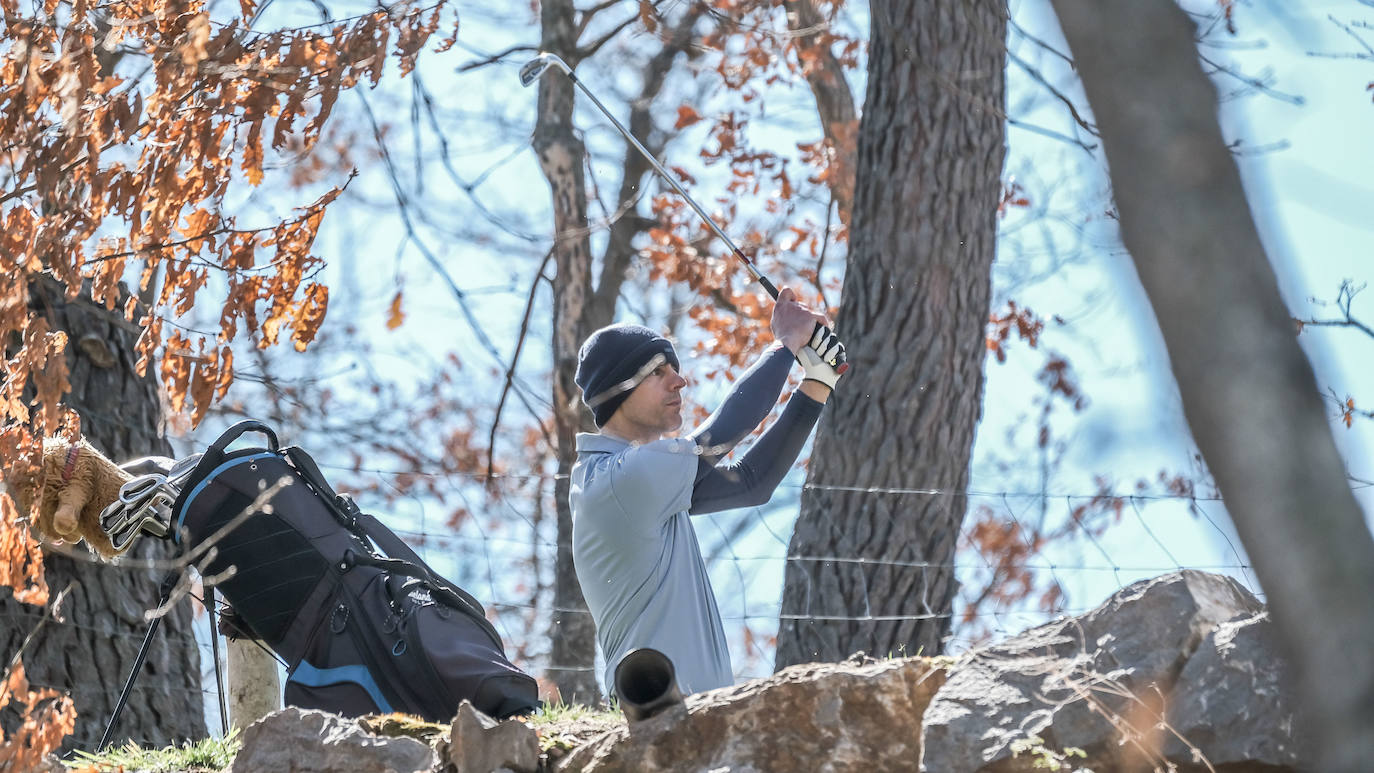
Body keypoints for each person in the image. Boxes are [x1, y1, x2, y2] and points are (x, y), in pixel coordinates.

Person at [569, 288, 846, 695]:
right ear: (619, 388)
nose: (680, 381)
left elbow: (752, 482)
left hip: (695, 725)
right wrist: (785, 343)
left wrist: (818, 381)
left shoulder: (642, 488)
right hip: (657, 726)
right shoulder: (618, 481)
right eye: (658, 372)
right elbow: (722, 433)